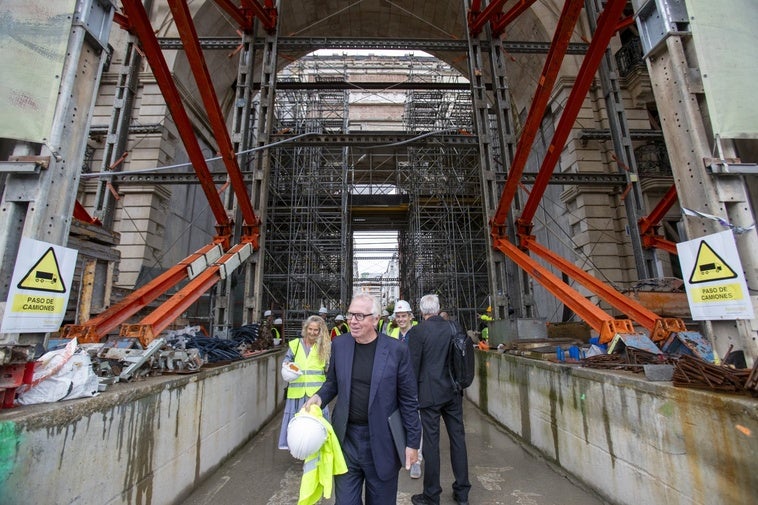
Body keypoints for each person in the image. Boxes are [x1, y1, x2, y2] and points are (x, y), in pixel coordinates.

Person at [302, 293, 422, 504]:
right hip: (346, 440)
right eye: (350, 314)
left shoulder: (397, 350)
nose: (352, 321)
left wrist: (412, 443)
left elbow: (408, 400)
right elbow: (332, 383)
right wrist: (319, 397)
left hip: (382, 441)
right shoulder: (340, 345)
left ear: (375, 319)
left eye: (359, 316)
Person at [407, 294, 471, 505]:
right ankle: (462, 493)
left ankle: (431, 495)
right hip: (453, 392)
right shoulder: (453, 327)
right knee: (458, 440)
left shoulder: (418, 332)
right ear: (438, 308)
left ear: (421, 311)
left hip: (429, 395)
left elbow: (412, 367)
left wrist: (409, 396)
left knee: (432, 445)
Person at [278, 315, 331, 451]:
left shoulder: (323, 348)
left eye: (316, 330)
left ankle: (316, 449)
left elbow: (328, 369)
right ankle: (300, 449)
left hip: (316, 395)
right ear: (305, 329)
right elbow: (286, 362)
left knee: (316, 426)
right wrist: (288, 368)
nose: (312, 333)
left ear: (320, 332)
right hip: (297, 394)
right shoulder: (295, 345)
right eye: (310, 329)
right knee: (298, 426)